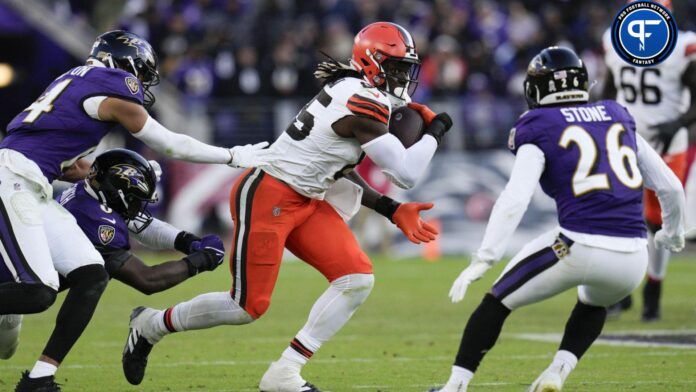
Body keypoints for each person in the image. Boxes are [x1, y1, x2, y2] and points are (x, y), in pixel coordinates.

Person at [121, 22, 451, 392]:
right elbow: (406, 172)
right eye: (396, 67)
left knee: (356, 278)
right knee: (246, 306)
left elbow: (334, 168)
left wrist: (390, 209)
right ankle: (151, 324)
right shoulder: (363, 100)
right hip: (269, 194)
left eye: (406, 68)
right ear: (372, 62)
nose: (403, 77)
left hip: (308, 198)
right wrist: (436, 131)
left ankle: (284, 373)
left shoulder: (353, 89)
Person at [0, 30, 263, 391]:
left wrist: (66, 162)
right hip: (16, 179)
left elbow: (46, 140)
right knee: (39, 292)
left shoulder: (74, 78)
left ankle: (39, 380)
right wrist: (232, 155)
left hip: (32, 179)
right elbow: (171, 144)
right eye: (139, 72)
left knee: (92, 275)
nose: (139, 82)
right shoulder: (112, 83)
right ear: (123, 64)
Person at [431, 47, 685, 392]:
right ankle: (555, 374)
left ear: (537, 88)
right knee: (593, 302)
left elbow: (514, 200)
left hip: (578, 244)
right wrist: (671, 231)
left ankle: (453, 388)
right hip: (634, 260)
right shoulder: (616, 114)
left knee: (495, 302)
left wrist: (484, 258)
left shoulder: (538, 125)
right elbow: (669, 185)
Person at [602, 0, 696, 321]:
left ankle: (653, 289)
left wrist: (679, 124)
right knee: (615, 215)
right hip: (625, 139)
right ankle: (621, 291)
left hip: (668, 145)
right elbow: (610, 90)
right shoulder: (614, 44)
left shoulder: (683, 47)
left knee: (658, 220)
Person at [59, 149, 225, 294]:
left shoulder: (92, 190)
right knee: (94, 276)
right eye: (134, 199)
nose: (138, 207)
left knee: (93, 276)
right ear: (116, 193)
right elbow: (147, 280)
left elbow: (142, 224)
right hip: (36, 282)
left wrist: (188, 242)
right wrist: (203, 260)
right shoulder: (97, 219)